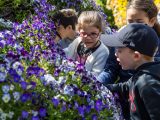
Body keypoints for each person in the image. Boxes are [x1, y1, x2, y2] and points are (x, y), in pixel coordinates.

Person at [99, 0, 160, 118]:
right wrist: (93, 85)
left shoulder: (148, 85)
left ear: (136, 56)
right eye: (130, 21)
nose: (115, 54)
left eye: (119, 51)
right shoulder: (139, 76)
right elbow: (122, 88)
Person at [64, 11, 109, 75]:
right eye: (84, 33)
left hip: (84, 82)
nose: (88, 38)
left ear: (100, 32)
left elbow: (95, 74)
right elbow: (67, 51)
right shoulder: (78, 41)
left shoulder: (103, 51)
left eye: (93, 34)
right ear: (78, 31)